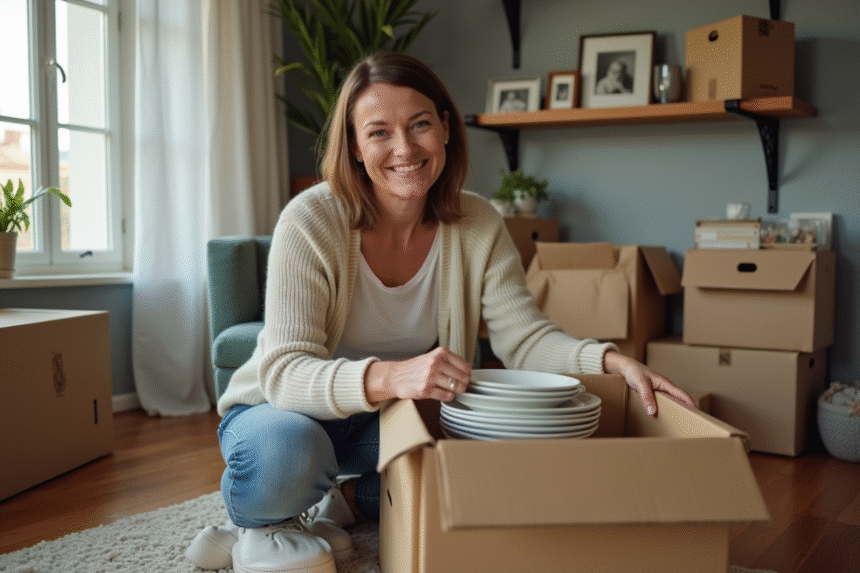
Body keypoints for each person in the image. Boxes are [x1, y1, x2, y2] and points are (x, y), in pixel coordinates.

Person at [186, 51, 696, 573]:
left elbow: (525, 338)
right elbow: (284, 373)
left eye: (420, 125)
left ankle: (339, 503)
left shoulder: (477, 221)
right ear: (356, 149)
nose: (404, 148)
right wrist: (391, 375)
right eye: (379, 132)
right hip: (280, 415)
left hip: (386, 422)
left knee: (487, 471)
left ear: (446, 129)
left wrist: (612, 362)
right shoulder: (312, 219)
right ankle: (256, 520)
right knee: (287, 453)